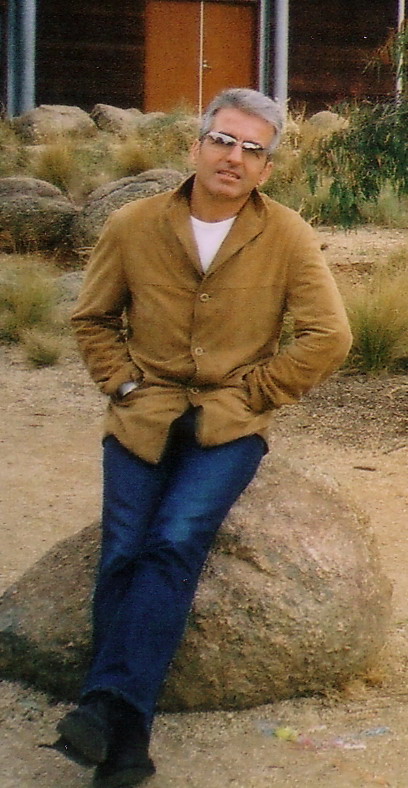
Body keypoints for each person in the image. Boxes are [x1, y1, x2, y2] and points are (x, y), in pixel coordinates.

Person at [56, 88, 352, 787]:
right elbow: (92, 319)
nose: (234, 157)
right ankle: (126, 743)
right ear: (196, 146)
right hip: (143, 413)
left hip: (229, 422)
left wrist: (255, 393)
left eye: (253, 150)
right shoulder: (132, 225)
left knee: (175, 539)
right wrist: (122, 385)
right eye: (223, 140)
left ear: (266, 169)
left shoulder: (286, 235)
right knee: (122, 552)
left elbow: (329, 336)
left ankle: (103, 709)